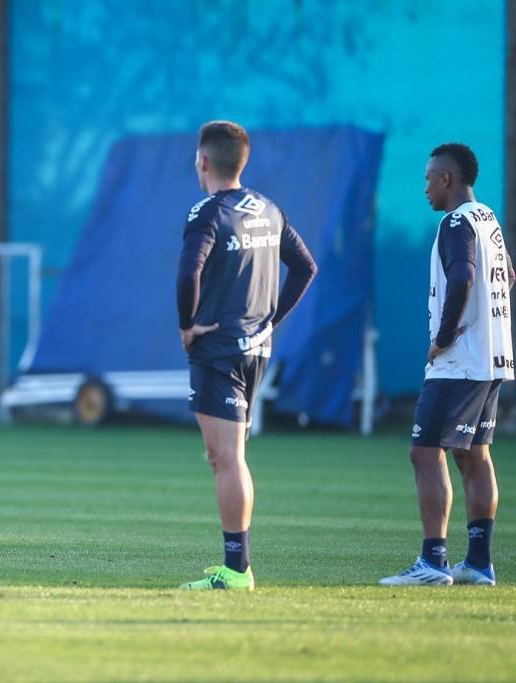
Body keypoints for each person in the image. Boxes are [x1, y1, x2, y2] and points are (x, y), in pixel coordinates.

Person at [176, 121, 317, 590]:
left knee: (227, 459)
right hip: (255, 349)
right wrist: (270, 321)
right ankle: (237, 567)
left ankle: (237, 571)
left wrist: (186, 325)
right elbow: (305, 267)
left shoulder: (207, 213)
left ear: (203, 161)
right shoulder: (268, 209)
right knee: (227, 457)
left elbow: (187, 273)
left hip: (218, 349)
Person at [380, 143, 513, 586]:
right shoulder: (488, 219)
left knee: (424, 451)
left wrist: (444, 337)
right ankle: (478, 563)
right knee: (474, 454)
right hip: (492, 358)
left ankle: (434, 562)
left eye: (428, 178)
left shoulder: (455, 222)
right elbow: (508, 277)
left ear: (447, 179)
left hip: (458, 362)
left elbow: (463, 276)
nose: (425, 188)